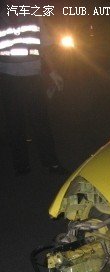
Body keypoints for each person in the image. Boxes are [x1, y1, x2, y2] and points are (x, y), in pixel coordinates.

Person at [0, 9, 68, 175]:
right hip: (9, 77)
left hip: (27, 77)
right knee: (18, 123)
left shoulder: (35, 15)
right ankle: (25, 165)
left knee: (37, 121)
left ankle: (47, 162)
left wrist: (53, 72)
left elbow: (43, 48)